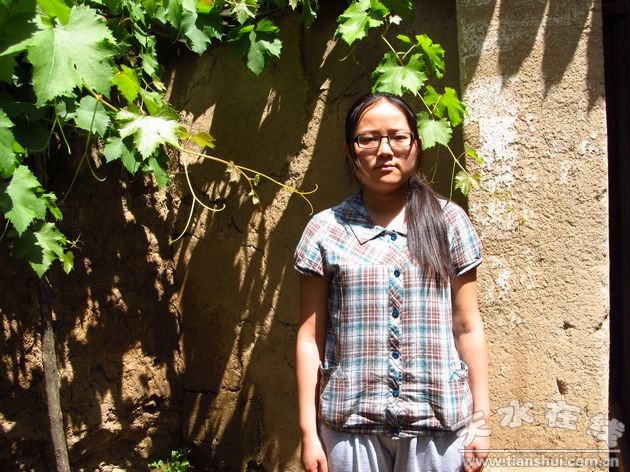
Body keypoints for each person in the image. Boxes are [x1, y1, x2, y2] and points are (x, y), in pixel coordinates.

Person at [294, 92, 490, 472]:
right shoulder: (325, 230)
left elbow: (468, 327)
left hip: (437, 425)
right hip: (350, 427)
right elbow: (309, 338)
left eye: (398, 137)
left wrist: (480, 422)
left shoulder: (450, 222)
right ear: (350, 150)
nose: (385, 150)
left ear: (416, 144)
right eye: (368, 139)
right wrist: (308, 432)